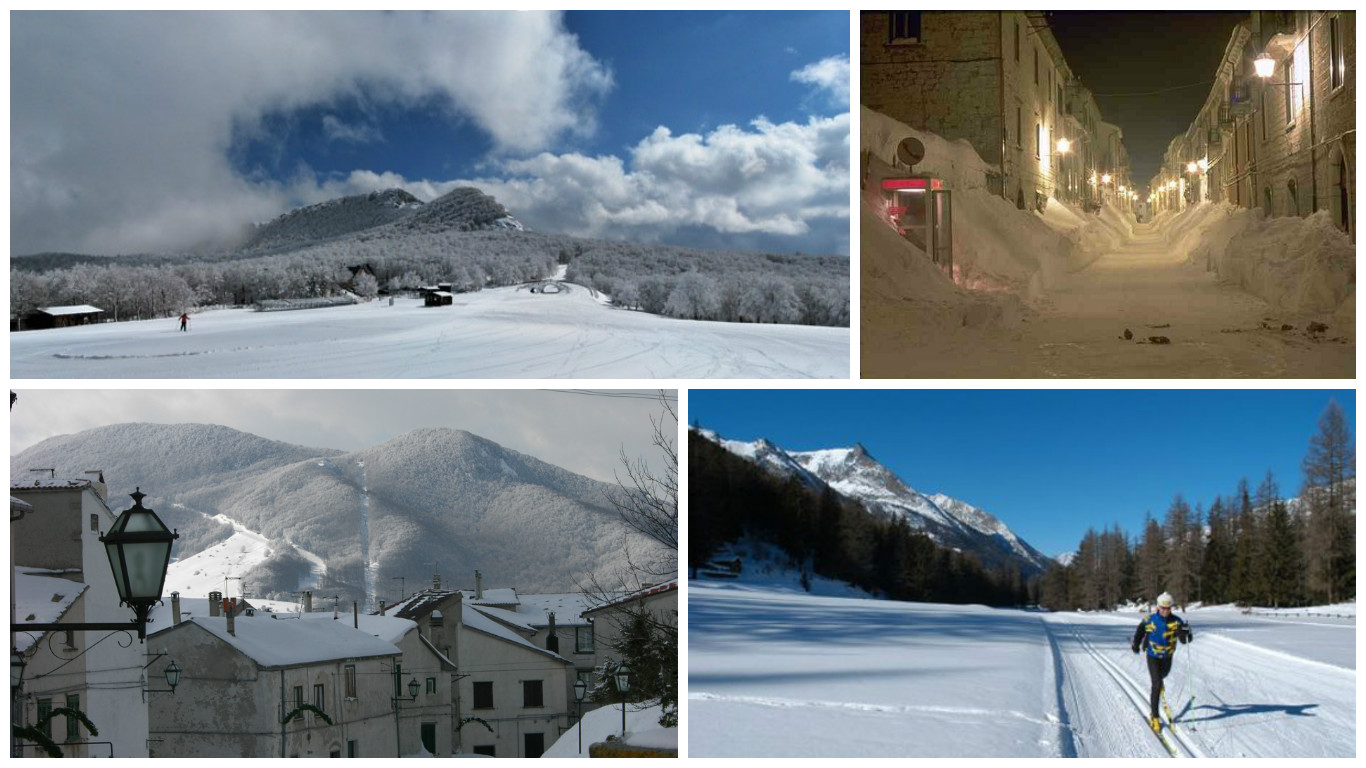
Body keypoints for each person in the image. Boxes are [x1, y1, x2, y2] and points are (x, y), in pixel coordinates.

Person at [1131, 592, 1192, 732]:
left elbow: (1184, 640)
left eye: (1168, 608)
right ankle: (1155, 717)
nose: (1165, 610)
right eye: (1162, 607)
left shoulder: (1176, 622)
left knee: (1163, 676)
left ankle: (1159, 680)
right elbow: (1140, 630)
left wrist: (1187, 633)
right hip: (1152, 655)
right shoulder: (1150, 619)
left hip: (1167, 656)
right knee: (1156, 684)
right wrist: (1136, 644)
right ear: (1158, 607)